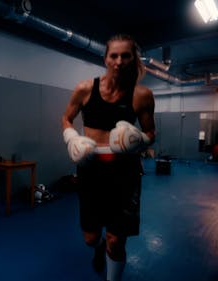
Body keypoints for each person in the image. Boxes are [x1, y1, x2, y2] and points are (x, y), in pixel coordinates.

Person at [61, 34, 156, 281]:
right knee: (91, 238)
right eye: (114, 55)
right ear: (105, 59)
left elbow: (150, 132)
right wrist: (71, 137)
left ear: (133, 59)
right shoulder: (85, 89)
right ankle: (100, 247)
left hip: (125, 172)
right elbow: (66, 118)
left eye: (126, 55)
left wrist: (141, 139)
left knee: (117, 240)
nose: (119, 61)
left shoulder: (142, 95)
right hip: (91, 171)